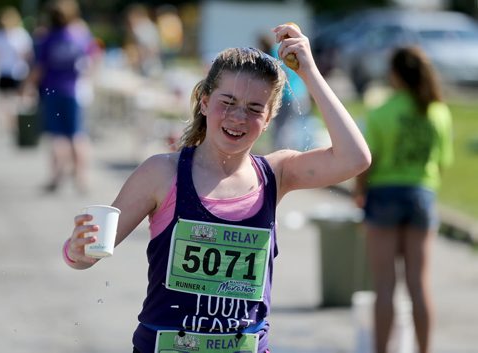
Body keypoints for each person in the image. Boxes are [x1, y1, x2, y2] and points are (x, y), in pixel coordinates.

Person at [63, 23, 371, 353]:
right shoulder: (162, 173)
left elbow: (354, 158)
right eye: (228, 102)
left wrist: (309, 71)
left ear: (268, 120)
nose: (238, 117)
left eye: (255, 109)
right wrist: (78, 250)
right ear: (205, 102)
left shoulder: (276, 173)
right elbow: (85, 256)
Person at [354, 46, 453, 353]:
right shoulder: (438, 112)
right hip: (422, 195)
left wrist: (360, 193)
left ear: (395, 74)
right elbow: (442, 162)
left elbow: (367, 161)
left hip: (384, 194)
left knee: (385, 285)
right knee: (418, 284)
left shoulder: (382, 111)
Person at [24, 0, 96, 193]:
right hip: (75, 90)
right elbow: (93, 58)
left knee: (57, 136)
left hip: (52, 91)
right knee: (78, 135)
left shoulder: (47, 38)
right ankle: (82, 177)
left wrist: (26, 86)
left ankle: (56, 176)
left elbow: (39, 68)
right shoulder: (80, 35)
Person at [0, 6, 34, 133]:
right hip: (4, 72)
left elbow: (28, 53)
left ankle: (16, 123)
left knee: (17, 100)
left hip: (18, 72)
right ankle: (8, 125)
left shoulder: (20, 34)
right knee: (5, 101)